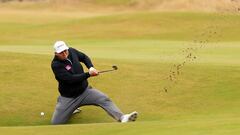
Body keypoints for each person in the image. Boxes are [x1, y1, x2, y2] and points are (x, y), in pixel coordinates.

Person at [51, 41, 138, 124]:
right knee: (56, 123)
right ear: (56, 53)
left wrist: (91, 67)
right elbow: (70, 79)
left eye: (65, 51)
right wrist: (88, 74)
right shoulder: (56, 65)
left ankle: (122, 118)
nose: (64, 54)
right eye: (61, 52)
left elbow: (84, 57)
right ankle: (71, 108)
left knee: (103, 98)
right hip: (69, 98)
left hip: (85, 92)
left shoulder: (72, 51)